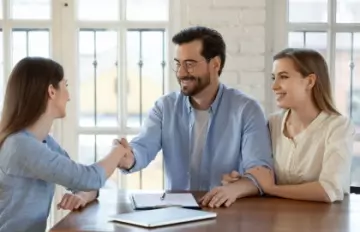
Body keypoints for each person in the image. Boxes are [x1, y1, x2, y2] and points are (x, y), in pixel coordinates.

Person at [117, 26, 274, 208]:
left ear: (215, 64)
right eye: (178, 64)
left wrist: (236, 188)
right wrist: (129, 158)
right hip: (176, 215)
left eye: (189, 64)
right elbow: (142, 147)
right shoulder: (164, 107)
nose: (181, 73)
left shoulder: (246, 110)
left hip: (227, 212)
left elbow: (260, 170)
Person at [0, 57, 128, 232]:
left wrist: (83, 195)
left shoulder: (43, 142)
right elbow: (89, 178)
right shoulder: (21, 146)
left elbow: (82, 182)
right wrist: (118, 150)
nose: (68, 96)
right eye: (65, 85)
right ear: (51, 91)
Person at [222, 48, 355, 203]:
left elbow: (329, 189)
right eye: (273, 78)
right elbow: (259, 173)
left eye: (283, 77)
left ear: (310, 81)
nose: (274, 86)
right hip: (276, 220)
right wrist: (242, 180)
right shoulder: (272, 124)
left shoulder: (338, 127)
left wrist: (272, 189)